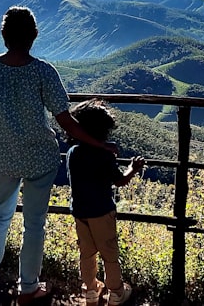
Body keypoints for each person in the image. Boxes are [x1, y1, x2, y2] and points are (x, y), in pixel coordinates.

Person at [0, 6, 117, 305]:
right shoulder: (42, 71)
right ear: (34, 36)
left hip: (0, 155)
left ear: (3, 35)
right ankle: (28, 288)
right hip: (39, 157)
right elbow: (66, 121)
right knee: (34, 223)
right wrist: (100, 145)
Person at [66, 99, 145, 306]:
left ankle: (90, 291)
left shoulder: (73, 153)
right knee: (109, 253)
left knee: (87, 253)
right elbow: (119, 181)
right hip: (102, 211)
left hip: (80, 211)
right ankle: (116, 292)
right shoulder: (104, 155)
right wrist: (132, 168)